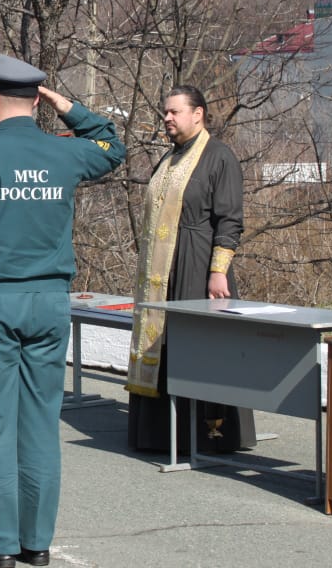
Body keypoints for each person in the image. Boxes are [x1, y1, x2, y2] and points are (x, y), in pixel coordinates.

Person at [0, 53, 126, 568]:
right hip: (49, 304)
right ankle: (36, 543)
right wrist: (68, 106)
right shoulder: (65, 153)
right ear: (37, 101)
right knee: (39, 426)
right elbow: (112, 146)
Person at [125, 84, 256, 454]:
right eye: (165, 111)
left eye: (174, 112)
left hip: (198, 267)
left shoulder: (219, 157)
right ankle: (159, 434)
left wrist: (218, 271)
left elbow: (230, 220)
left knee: (200, 348)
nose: (166, 118)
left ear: (198, 114)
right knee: (165, 346)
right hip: (163, 270)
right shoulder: (169, 158)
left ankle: (206, 436)